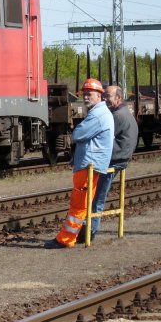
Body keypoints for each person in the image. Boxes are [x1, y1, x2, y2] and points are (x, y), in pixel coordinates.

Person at [45, 78, 114, 249]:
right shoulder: (101, 113)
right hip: (91, 165)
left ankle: (66, 239)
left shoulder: (97, 115)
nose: (85, 97)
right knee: (82, 203)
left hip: (88, 166)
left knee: (78, 204)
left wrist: (78, 130)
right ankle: (75, 236)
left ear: (99, 95)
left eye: (89, 94)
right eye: (84, 94)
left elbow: (77, 134)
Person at [78, 84, 138, 242]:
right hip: (121, 157)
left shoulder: (116, 116)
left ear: (118, 98)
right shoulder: (123, 112)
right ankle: (87, 229)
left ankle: (90, 232)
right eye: (103, 96)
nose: (105, 99)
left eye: (108, 96)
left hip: (115, 160)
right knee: (96, 195)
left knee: (97, 197)